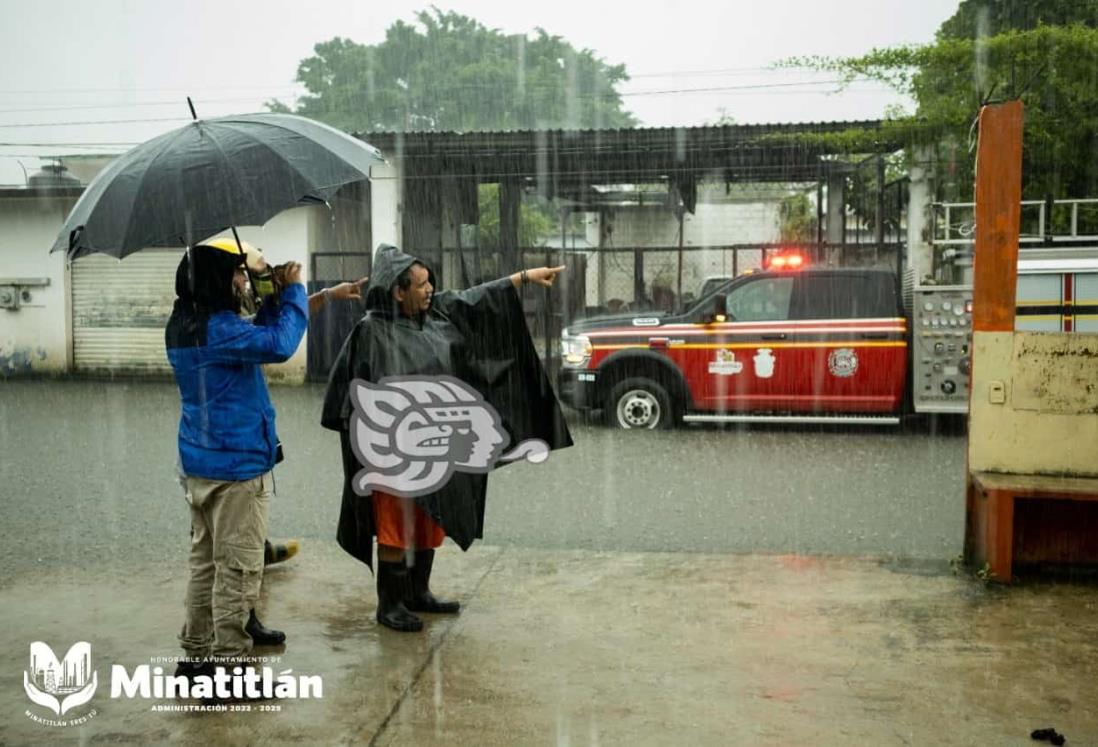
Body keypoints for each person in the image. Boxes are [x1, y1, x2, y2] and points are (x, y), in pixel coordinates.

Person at [322, 244, 574, 632]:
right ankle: (390, 603)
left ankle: (418, 592)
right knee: (395, 526)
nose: (429, 290)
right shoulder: (371, 331)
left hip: (440, 446)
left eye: (430, 283)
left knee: (430, 519)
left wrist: (523, 278)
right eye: (421, 285)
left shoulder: (436, 312)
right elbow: (349, 398)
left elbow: (478, 299)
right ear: (397, 291)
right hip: (393, 454)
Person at [166, 240, 308, 673]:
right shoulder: (221, 330)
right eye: (238, 272)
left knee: (205, 566)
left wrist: (269, 291)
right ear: (217, 280)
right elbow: (280, 344)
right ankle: (231, 666)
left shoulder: (187, 324)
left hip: (200, 463)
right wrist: (295, 291)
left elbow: (258, 340)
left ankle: (195, 657)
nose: (244, 279)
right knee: (238, 572)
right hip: (236, 469)